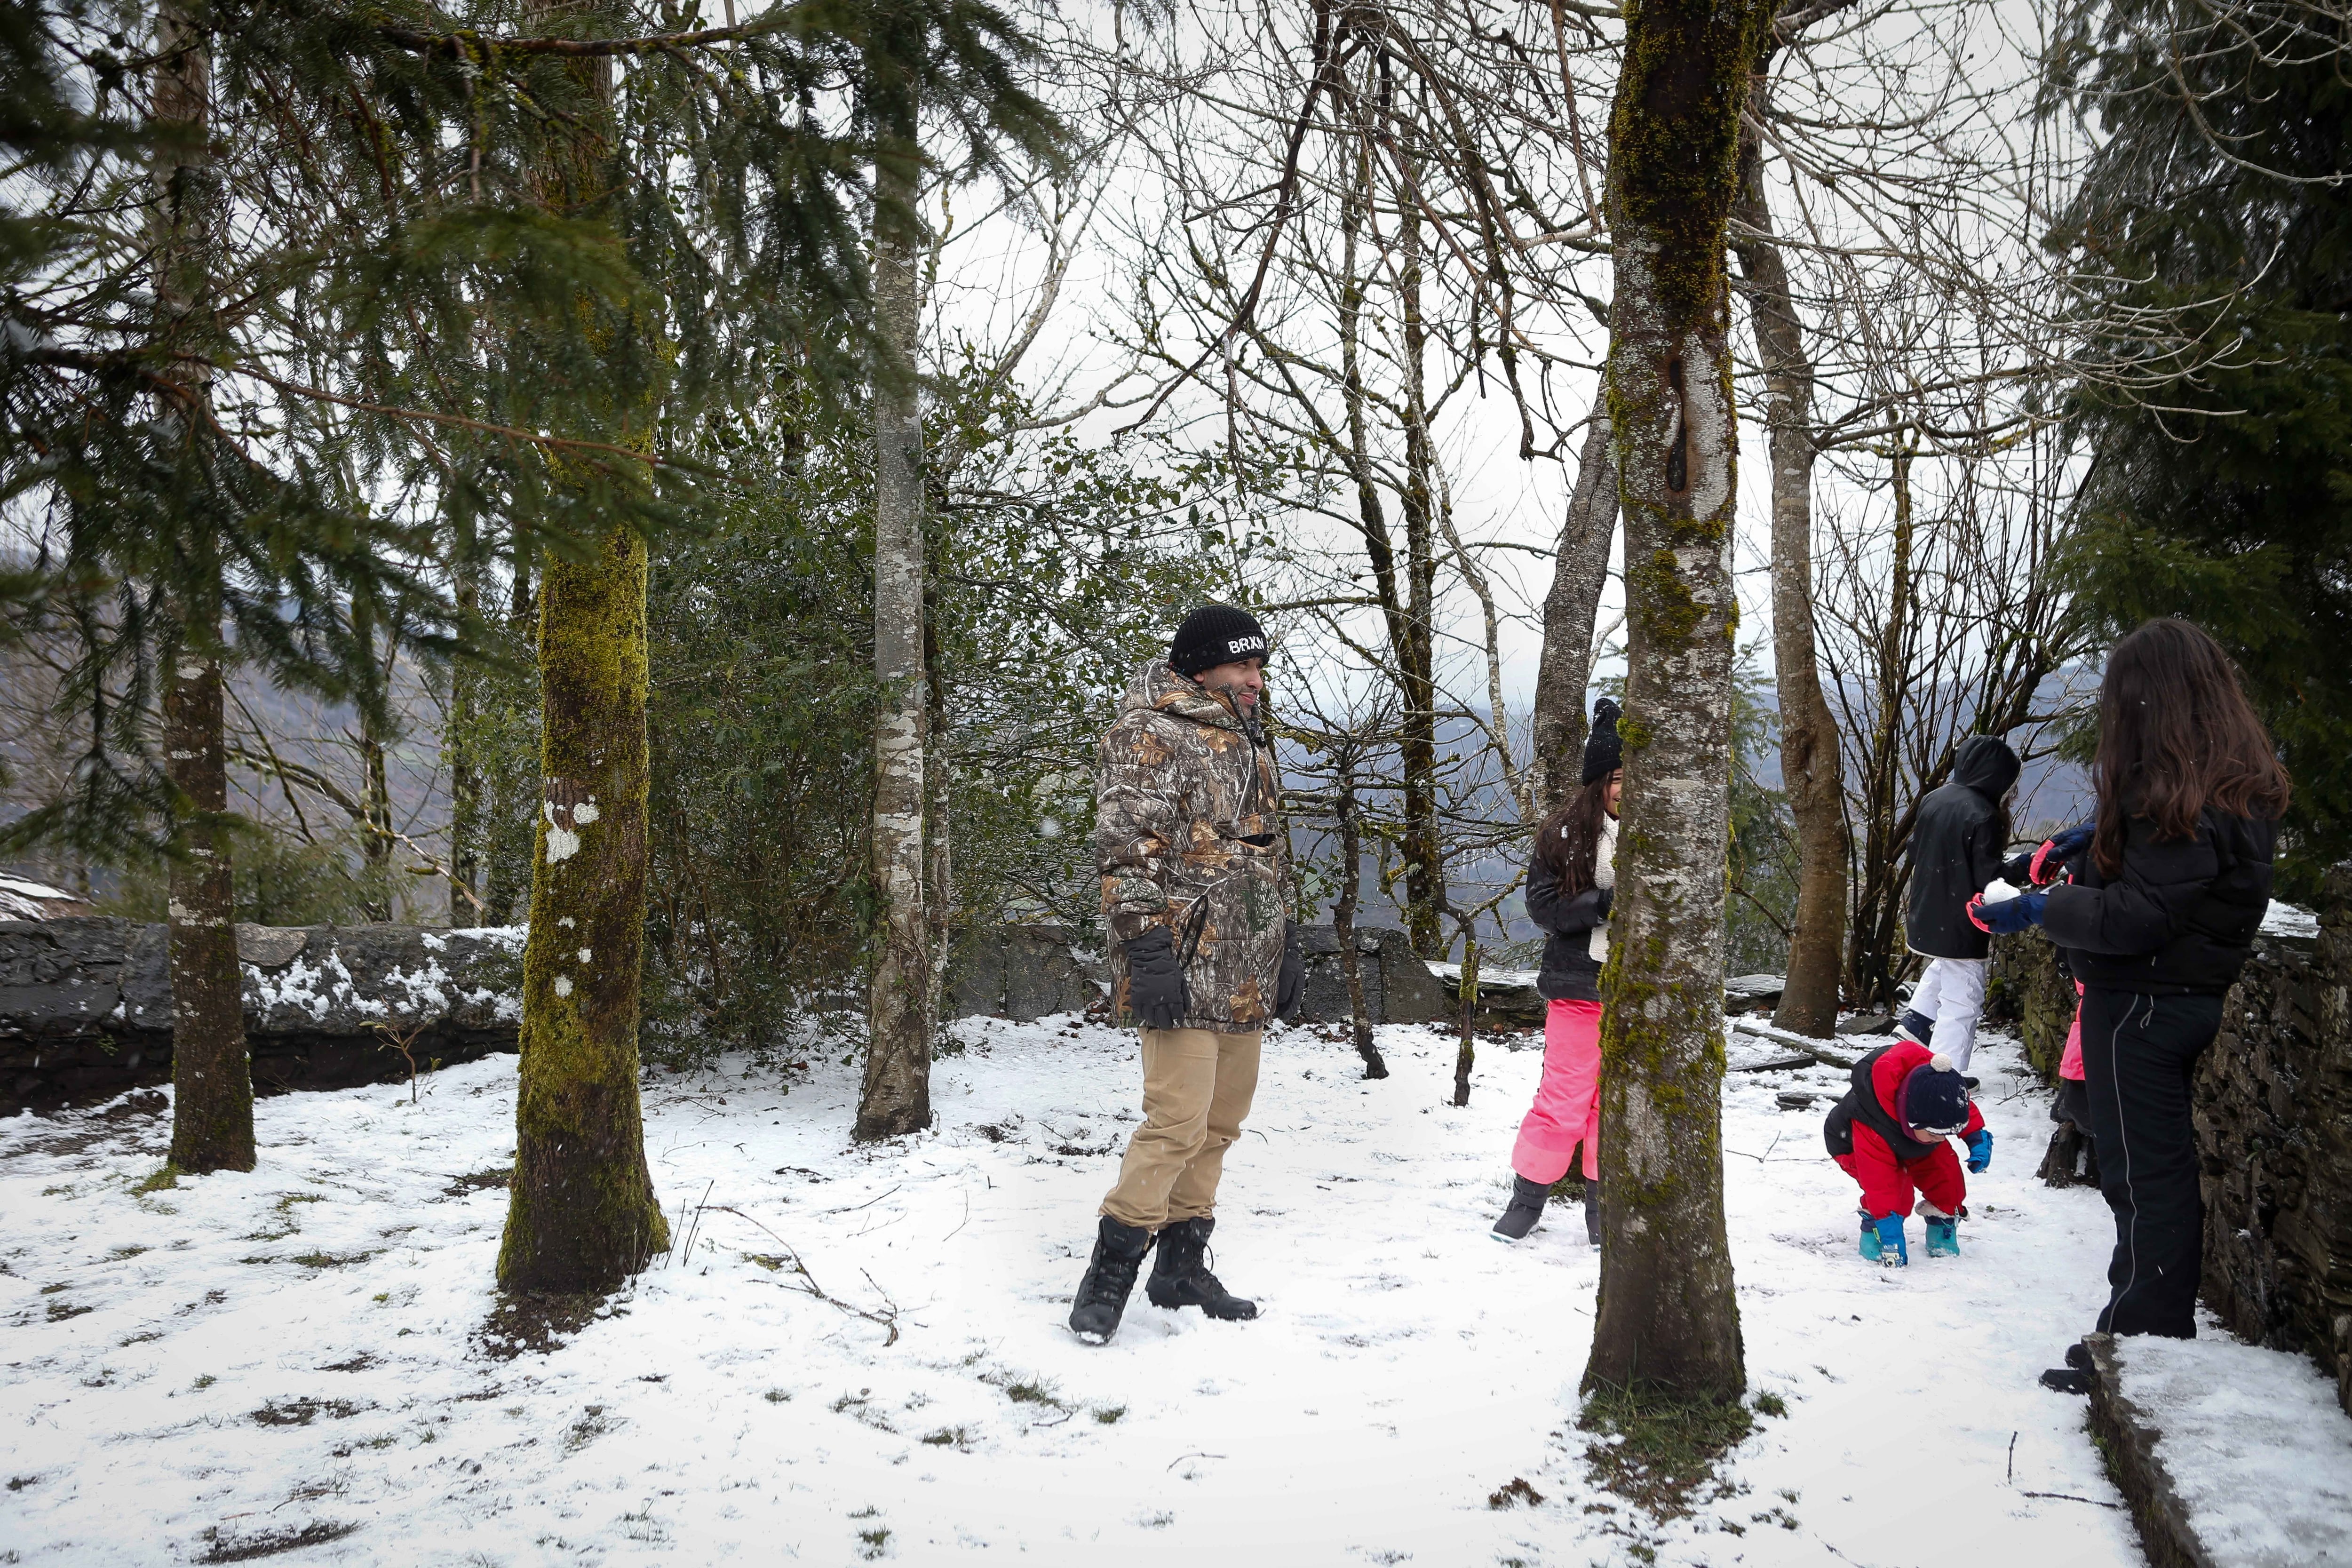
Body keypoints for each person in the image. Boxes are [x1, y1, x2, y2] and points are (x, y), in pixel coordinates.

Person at [1967, 619, 2288, 1392]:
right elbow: (2169, 874)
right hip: (2175, 1000)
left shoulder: (2171, 793)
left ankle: (2142, 1343)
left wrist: (2043, 909)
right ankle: (2136, 1327)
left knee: (2143, 1178)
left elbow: (2137, 916)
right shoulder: (2227, 784)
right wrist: (2082, 847)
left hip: (2141, 1003)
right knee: (2150, 1172)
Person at [1066, 604, 1304, 1345]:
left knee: (1221, 1123)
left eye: (1259, 667)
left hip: (1245, 964)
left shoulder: (1250, 739)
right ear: (1202, 666)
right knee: (1175, 1122)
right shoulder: (1151, 733)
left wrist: (1285, 941)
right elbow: (1125, 847)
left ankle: (1181, 1263)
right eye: (1244, 666)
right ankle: (1110, 1274)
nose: (1255, 680)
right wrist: (1146, 951)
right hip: (1179, 959)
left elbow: (1269, 853)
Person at [1491, 698, 1622, 1246]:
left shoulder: (1661, 835)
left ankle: (1601, 1212)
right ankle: (1527, 1199)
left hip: (1636, 992)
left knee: (1609, 1106)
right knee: (1563, 1099)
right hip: (1579, 987)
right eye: (1617, 778)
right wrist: (1603, 905)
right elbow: (1542, 909)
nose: (1626, 788)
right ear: (1598, 783)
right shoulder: (1563, 835)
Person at [1898, 733, 2022, 1072]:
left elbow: (1914, 849)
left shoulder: (1935, 799)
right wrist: (2022, 870)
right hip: (1960, 923)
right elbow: (1990, 879)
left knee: (1944, 965)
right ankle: (1945, 1072)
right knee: (1964, 996)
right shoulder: (1984, 815)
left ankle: (1915, 1025)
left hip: (1928, 913)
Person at [1823, 1041, 1992, 1265]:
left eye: (1946, 1133)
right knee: (1894, 1189)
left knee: (1946, 1174)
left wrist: (1976, 1137)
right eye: (1935, 1132)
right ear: (1911, 1117)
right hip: (1855, 1145)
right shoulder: (1868, 1122)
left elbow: (1958, 1104)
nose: (1941, 1138)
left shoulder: (1936, 1081)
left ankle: (1942, 1226)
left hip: (1910, 1136)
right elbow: (1879, 1183)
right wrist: (1890, 1236)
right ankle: (1875, 1232)